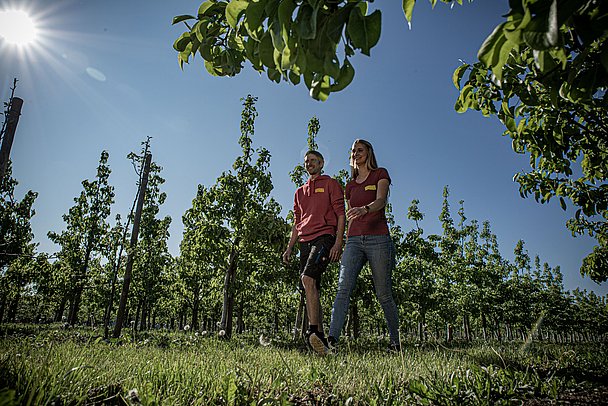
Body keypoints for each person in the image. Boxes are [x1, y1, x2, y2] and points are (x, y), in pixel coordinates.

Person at [328, 139, 401, 351]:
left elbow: (381, 201)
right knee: (343, 288)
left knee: (383, 293)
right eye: (353, 151)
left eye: (360, 150)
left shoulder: (380, 174)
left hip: (378, 239)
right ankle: (332, 341)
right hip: (353, 241)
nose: (356, 153)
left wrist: (365, 209)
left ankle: (396, 343)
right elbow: (350, 212)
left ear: (369, 152)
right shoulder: (349, 186)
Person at [282, 150, 345, 355]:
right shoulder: (299, 192)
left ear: (321, 163)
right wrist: (290, 246)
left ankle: (313, 332)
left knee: (307, 278)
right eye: (306, 161)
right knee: (310, 285)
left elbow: (341, 214)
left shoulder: (331, 184)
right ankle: (323, 342)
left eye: (313, 161)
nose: (309, 163)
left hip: (325, 237)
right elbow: (297, 223)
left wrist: (338, 242)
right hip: (304, 241)